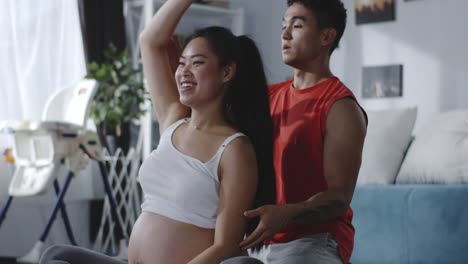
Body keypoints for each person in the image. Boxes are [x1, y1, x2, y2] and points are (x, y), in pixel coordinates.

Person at [39, 0, 275, 263]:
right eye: (181, 63)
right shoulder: (173, 120)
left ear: (227, 72)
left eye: (196, 63)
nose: (184, 72)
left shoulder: (234, 149)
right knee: (56, 256)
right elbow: (150, 40)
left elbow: (226, 246)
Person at [223, 0, 367, 264]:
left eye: (297, 25)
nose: (285, 33)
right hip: (261, 240)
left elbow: (339, 197)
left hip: (314, 241)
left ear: (326, 36)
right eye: (283, 26)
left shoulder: (341, 107)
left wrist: (287, 214)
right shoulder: (270, 96)